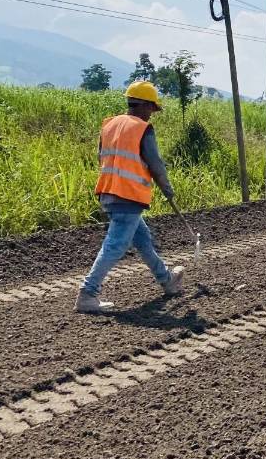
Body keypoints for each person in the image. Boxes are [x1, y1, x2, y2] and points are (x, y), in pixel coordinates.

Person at [75, 80, 184, 313]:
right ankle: (87, 293)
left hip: (109, 191)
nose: (152, 114)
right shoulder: (141, 129)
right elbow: (155, 164)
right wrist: (166, 188)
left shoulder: (110, 125)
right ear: (144, 105)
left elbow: (101, 157)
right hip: (128, 196)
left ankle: (167, 280)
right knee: (115, 245)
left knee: (143, 240)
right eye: (152, 109)